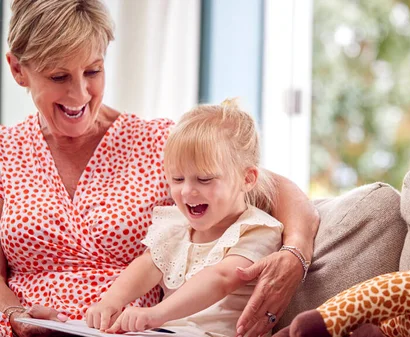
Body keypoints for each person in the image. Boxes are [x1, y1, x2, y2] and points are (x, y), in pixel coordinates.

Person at [0, 1, 319, 337]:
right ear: (18, 70)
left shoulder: (158, 143)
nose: (79, 93)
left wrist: (295, 254)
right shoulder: (4, 152)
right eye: (58, 76)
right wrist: (14, 314)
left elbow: (275, 188)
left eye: (93, 71)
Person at [86, 100, 284, 336]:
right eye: (178, 179)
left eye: (204, 179)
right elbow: (148, 265)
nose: (187, 191)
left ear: (247, 179)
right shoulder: (175, 226)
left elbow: (221, 278)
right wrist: (110, 302)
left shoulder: (258, 230)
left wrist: (155, 314)